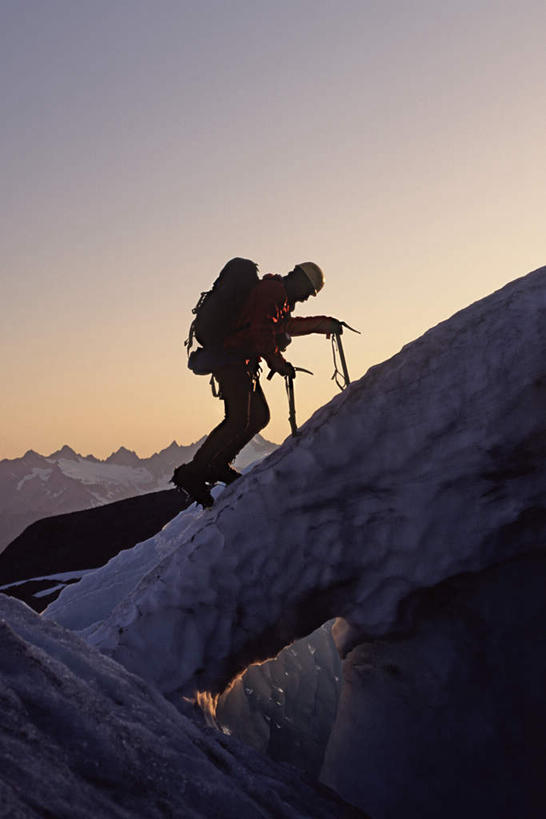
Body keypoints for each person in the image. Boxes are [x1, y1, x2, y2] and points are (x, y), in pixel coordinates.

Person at [172, 260, 342, 506]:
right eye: (307, 292)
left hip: (239, 361)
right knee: (238, 419)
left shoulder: (278, 298)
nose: (305, 298)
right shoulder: (271, 292)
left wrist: (323, 324)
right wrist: (278, 363)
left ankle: (218, 464)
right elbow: (261, 332)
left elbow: (282, 326)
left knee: (259, 416)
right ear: (299, 281)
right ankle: (194, 472)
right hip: (231, 359)